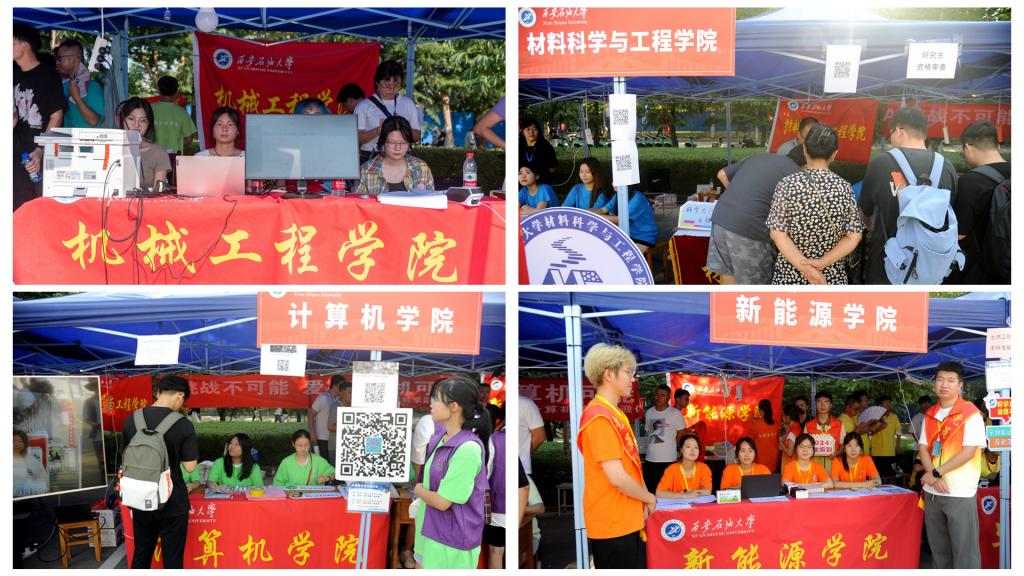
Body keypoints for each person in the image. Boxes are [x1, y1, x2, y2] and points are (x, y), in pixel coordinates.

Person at [859, 106, 959, 284]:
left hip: (887, 262)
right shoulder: (947, 166)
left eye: (890, 134)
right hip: (930, 266)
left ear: (898, 130)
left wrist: (871, 226)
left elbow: (865, 212)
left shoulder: (881, 163)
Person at [577, 343, 654, 569]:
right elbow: (617, 477)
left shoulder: (615, 414)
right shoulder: (599, 417)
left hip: (626, 518)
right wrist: (649, 497)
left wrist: (643, 497)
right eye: (628, 372)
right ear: (609, 374)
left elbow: (632, 465)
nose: (632, 379)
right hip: (612, 521)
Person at [767, 124, 864, 284]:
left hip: (790, 273)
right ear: (834, 154)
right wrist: (822, 263)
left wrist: (807, 269)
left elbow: (777, 234)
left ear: (804, 149)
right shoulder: (845, 187)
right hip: (830, 275)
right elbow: (854, 236)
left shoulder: (787, 184)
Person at [413, 375, 491, 569]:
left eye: (436, 399)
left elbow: (442, 502)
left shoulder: (467, 449)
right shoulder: (442, 438)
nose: (431, 403)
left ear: (454, 406)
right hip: (429, 533)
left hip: (451, 542)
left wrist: (419, 490)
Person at [122, 375, 198, 569]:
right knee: (172, 559)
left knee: (142, 553)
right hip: (172, 502)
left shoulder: (132, 419)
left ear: (158, 392)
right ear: (180, 396)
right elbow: (190, 467)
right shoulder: (183, 424)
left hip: (141, 498)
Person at [917, 361, 985, 569]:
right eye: (940, 380)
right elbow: (923, 448)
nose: (944, 385)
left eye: (950, 380)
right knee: (939, 550)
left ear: (960, 385)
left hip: (959, 492)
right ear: (934, 384)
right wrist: (933, 476)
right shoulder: (930, 414)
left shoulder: (971, 414)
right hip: (932, 491)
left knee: (965, 552)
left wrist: (936, 473)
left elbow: (969, 452)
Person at [707, 148, 804, 284]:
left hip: (720, 219)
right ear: (805, 164)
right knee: (755, 286)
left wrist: (742, 200)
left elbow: (722, 174)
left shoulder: (760, 156)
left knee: (728, 277)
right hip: (749, 228)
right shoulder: (796, 172)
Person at [950, 120, 1010, 284]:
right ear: (997, 146)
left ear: (968, 147)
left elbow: (959, 234)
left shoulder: (970, 181)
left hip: (981, 271)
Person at [14, 22, 65, 211]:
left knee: (39, 208)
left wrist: (40, 150)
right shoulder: (11, 74)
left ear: (24, 44)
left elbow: (56, 116)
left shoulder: (47, 75)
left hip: (40, 156)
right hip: (15, 155)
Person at [355, 60, 421, 164]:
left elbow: (417, 136)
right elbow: (356, 139)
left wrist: (402, 128)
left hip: (402, 157)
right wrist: (379, 130)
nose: (391, 89)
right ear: (377, 82)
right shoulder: (364, 106)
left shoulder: (408, 103)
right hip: (371, 157)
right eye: (386, 85)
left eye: (396, 85)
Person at [356, 115, 434, 196]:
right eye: (392, 142)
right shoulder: (366, 171)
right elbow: (356, 201)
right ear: (383, 142)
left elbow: (432, 200)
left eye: (403, 143)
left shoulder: (421, 167)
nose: (397, 148)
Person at [117, 97, 171, 190]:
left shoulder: (159, 153)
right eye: (131, 119)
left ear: (148, 124)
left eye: (143, 120)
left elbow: (159, 192)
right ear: (122, 120)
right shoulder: (111, 147)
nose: (136, 125)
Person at [642, 385, 686, 493]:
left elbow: (681, 433)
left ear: (668, 398)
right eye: (657, 394)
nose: (658, 397)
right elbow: (649, 432)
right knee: (651, 492)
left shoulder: (675, 414)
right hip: (650, 459)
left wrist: (676, 448)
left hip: (668, 460)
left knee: (668, 493)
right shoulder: (649, 412)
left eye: (662, 395)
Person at [55, 39, 103, 128]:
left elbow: (95, 122)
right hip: (65, 136)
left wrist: (77, 98)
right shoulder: (63, 86)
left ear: (74, 59)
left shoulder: (92, 87)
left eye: (60, 58)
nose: (57, 62)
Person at [594, 187, 659, 254]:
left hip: (644, 236)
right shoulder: (618, 195)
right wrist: (587, 213)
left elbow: (620, 219)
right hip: (627, 234)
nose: (613, 184)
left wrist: (596, 217)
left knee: (625, 256)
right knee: (606, 250)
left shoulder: (637, 197)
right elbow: (603, 210)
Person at [150, 76, 196, 154]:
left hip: (151, 155)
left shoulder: (149, 109)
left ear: (158, 90)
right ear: (176, 92)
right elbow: (189, 140)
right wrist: (176, 143)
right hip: (173, 157)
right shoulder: (182, 112)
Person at [656, 433, 712, 497]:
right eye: (688, 447)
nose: (692, 450)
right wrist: (684, 495)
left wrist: (691, 493)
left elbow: (708, 491)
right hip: (678, 503)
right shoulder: (671, 469)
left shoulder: (704, 468)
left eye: (696, 447)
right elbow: (658, 493)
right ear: (681, 449)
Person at [484, 403, 506, 568]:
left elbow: (485, 474)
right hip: (521, 501)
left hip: (499, 504)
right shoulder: (523, 436)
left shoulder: (495, 439)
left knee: (495, 550)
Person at [804, 390, 846, 472]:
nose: (822, 405)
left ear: (830, 405)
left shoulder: (839, 424)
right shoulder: (808, 425)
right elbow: (804, 445)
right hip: (813, 466)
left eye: (826, 402)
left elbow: (843, 444)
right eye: (819, 402)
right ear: (815, 405)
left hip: (833, 466)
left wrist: (837, 453)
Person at [309, 375, 343, 458]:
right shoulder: (323, 398)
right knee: (321, 463)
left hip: (332, 439)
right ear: (334, 386)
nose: (343, 389)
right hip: (321, 438)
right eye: (341, 386)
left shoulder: (337, 399)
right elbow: (310, 415)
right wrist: (313, 434)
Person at [867, 395, 901, 478]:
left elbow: (898, 433)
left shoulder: (894, 417)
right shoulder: (873, 418)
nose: (888, 405)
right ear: (879, 405)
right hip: (876, 452)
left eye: (889, 403)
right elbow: (869, 433)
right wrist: (879, 427)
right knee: (877, 476)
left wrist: (897, 446)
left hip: (890, 451)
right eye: (885, 403)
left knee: (891, 476)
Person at [325, 378, 353, 465]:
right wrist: (349, 426)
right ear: (341, 393)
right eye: (349, 393)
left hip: (346, 447)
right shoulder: (335, 407)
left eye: (353, 393)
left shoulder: (351, 407)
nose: (352, 395)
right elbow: (330, 426)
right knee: (336, 471)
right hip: (336, 448)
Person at [13, 429, 48, 497]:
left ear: (25, 444)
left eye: (20, 441)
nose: (16, 444)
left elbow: (43, 481)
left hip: (28, 499)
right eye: (13, 441)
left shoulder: (33, 462)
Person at [519, 394, 545, 478]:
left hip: (521, 468)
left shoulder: (524, 403)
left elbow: (539, 436)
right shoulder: (501, 403)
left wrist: (524, 452)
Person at [750, 399, 779, 472]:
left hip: (761, 460)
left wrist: (754, 422)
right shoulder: (775, 423)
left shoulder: (756, 424)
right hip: (774, 460)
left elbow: (750, 440)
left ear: (761, 411)